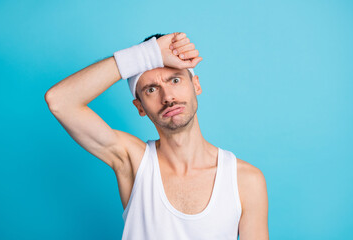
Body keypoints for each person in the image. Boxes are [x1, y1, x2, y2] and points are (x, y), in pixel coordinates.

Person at [45, 32, 269, 240]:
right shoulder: (133, 162)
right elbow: (60, 101)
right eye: (151, 89)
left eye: (175, 80)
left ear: (196, 85)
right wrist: (147, 54)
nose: (168, 97)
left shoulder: (245, 180)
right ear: (140, 107)